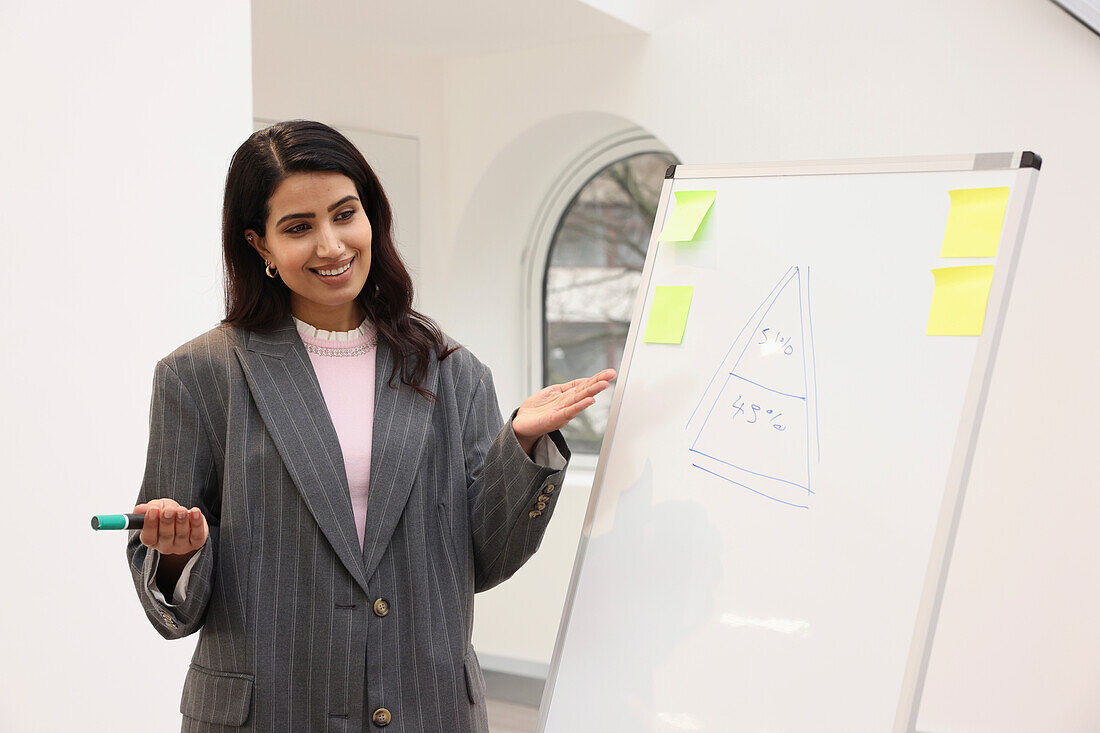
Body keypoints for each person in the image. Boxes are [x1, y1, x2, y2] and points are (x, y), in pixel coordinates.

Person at [126, 119, 616, 732]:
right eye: (298, 227)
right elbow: (169, 594)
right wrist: (177, 555)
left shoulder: (449, 369)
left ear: (371, 216)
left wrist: (518, 443)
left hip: (425, 708)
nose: (331, 245)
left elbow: (485, 561)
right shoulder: (197, 376)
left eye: (344, 214)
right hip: (270, 714)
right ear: (260, 245)